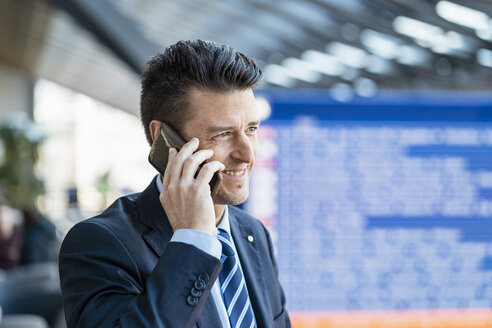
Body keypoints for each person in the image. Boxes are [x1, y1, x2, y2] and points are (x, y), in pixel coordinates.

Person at [59, 40, 291, 328]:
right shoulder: (100, 243)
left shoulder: (252, 233)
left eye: (252, 129)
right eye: (223, 134)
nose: (247, 153)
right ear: (163, 138)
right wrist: (193, 240)